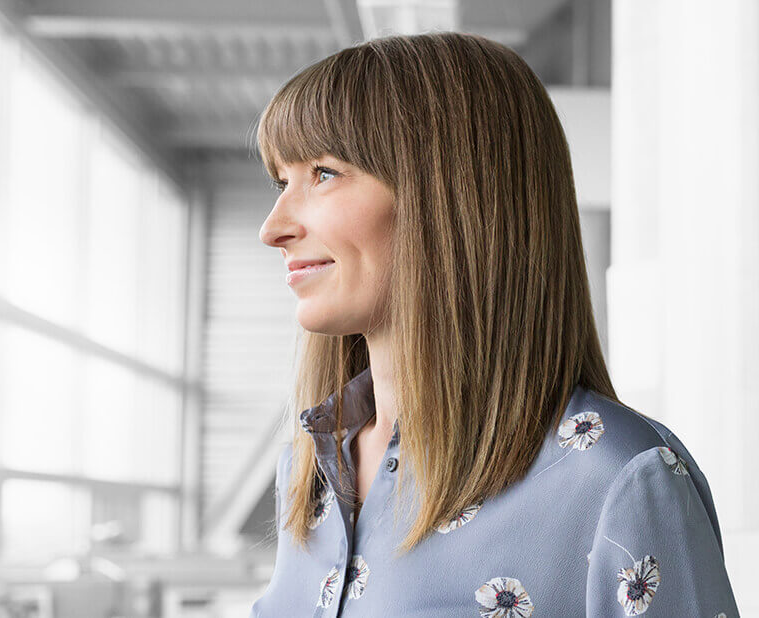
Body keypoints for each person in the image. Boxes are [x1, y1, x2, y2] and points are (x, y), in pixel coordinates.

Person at [249, 32, 739, 617]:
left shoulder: (618, 483)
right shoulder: (306, 474)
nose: (272, 227)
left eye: (323, 173)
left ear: (451, 193)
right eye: (282, 182)